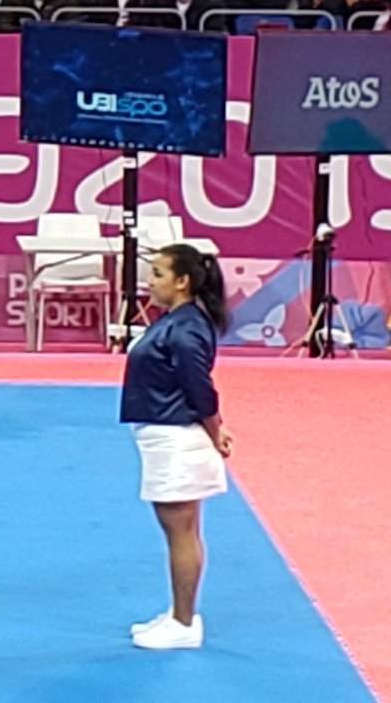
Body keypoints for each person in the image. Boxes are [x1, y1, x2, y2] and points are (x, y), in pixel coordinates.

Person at [122, 244, 234, 651]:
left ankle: (184, 623)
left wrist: (216, 430)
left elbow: (200, 388)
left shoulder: (186, 329)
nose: (149, 282)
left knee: (181, 534)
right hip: (164, 435)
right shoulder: (176, 321)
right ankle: (178, 613)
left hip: (178, 439)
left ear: (182, 281)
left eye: (157, 274)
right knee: (179, 531)